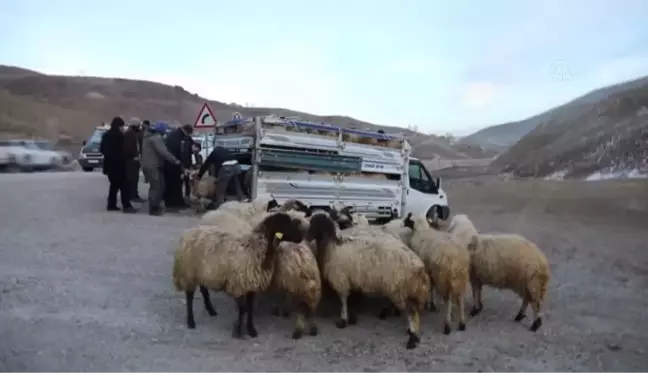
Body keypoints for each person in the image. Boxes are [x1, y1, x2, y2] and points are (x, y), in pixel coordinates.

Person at [141, 121, 185, 216]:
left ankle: (155, 206)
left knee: (160, 185)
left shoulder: (148, 136)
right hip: (153, 165)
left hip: (151, 165)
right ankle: (153, 208)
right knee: (156, 187)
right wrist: (175, 161)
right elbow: (163, 152)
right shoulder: (156, 138)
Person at [99, 116, 136, 213]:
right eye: (121, 126)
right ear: (118, 126)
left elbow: (102, 150)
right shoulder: (120, 137)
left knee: (113, 186)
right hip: (119, 165)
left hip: (109, 165)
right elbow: (124, 150)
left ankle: (111, 205)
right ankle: (127, 206)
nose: (122, 128)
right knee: (124, 186)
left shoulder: (106, 135)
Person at [163, 124, 194, 210]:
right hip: (173, 164)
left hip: (171, 163)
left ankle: (175, 202)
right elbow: (180, 153)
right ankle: (175, 203)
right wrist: (183, 165)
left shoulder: (175, 135)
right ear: (186, 131)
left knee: (175, 184)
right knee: (174, 184)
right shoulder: (178, 138)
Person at [124, 119, 145, 202]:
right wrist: (135, 155)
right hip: (131, 160)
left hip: (133, 159)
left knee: (134, 178)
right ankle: (132, 195)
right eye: (138, 125)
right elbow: (130, 147)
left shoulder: (132, 133)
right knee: (132, 179)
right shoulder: (129, 134)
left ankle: (133, 194)